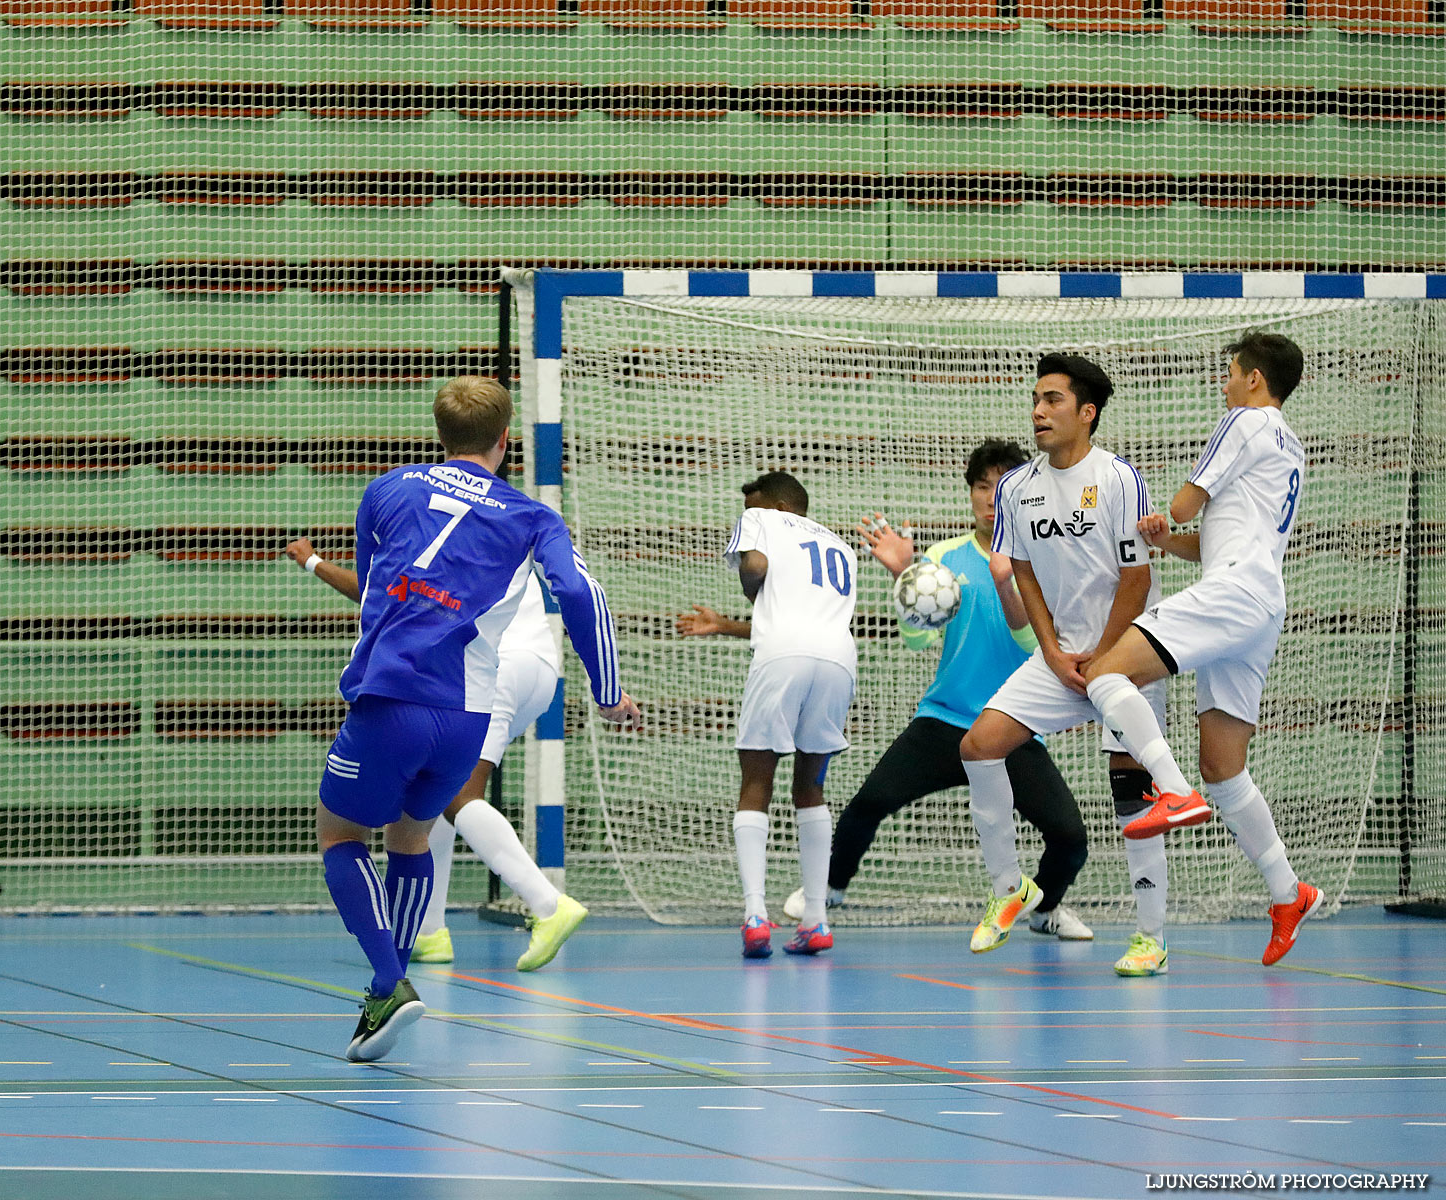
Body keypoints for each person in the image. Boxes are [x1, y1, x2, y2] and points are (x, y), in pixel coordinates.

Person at [317, 376, 638, 1063]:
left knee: (340, 831)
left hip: (394, 697)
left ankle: (387, 980)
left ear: (440, 435)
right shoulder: (532, 516)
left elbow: (373, 591)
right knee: (411, 836)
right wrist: (608, 691)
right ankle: (386, 996)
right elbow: (580, 591)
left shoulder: (389, 488)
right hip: (467, 716)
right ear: (505, 440)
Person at [761, 439, 1094, 942]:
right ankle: (825, 890)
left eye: (1001, 486)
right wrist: (906, 574)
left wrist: (1006, 579)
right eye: (982, 486)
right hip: (945, 719)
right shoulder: (944, 557)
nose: (989, 497)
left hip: (1012, 725)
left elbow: (1032, 642)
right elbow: (919, 639)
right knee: (867, 806)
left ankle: (1044, 910)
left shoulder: (1042, 562)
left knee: (1070, 838)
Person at [1083, 332, 1321, 967]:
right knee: (1226, 766)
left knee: (1106, 674)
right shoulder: (1291, 445)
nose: (1223, 384)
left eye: (1230, 374)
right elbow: (1218, 534)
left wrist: (1168, 512)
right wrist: (1169, 540)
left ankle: (1171, 789)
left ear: (1252, 379)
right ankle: (1288, 892)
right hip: (1260, 600)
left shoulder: (1244, 420)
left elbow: (1190, 501)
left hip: (1236, 592)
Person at [958, 355, 1175, 976]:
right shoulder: (1015, 487)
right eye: (1035, 399)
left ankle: (1150, 936)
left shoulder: (1117, 480)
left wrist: (1106, 657)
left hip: (1125, 649)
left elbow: (1138, 579)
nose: (1038, 411)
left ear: (1087, 413)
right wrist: (1051, 650)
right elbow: (1022, 570)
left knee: (1131, 788)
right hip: (1060, 656)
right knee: (980, 745)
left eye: (1053, 400)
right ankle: (1009, 887)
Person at [284, 532, 587, 973]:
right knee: (433, 792)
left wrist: (313, 563)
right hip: (541, 668)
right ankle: (430, 930)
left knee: (458, 795)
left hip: (493, 666)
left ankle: (547, 904)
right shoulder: (499, 522)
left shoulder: (428, 528)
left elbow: (378, 594)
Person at [676, 471, 856, 959]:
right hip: (839, 662)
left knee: (756, 782)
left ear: (777, 505)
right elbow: (800, 619)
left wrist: (749, 583)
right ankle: (816, 920)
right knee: (811, 788)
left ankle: (756, 915)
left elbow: (755, 569)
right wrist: (730, 625)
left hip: (782, 661)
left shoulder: (760, 519)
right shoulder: (841, 546)